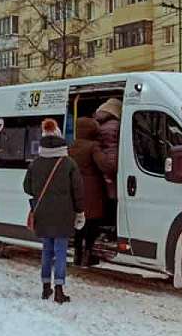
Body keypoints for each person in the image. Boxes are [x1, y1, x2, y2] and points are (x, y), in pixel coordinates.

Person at [23, 118, 85, 304]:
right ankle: (59, 290)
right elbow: (78, 190)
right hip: (64, 215)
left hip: (42, 213)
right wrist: (80, 212)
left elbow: (27, 187)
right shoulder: (68, 163)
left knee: (46, 251)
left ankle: (45, 288)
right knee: (60, 252)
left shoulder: (36, 163)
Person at [68, 117, 107, 267]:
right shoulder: (93, 147)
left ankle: (77, 255)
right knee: (92, 223)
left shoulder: (71, 146)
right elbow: (104, 165)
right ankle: (88, 254)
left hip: (76, 188)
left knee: (79, 223)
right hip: (92, 191)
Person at [93, 97, 122, 220]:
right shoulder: (116, 125)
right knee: (115, 196)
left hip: (102, 162)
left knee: (107, 194)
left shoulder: (98, 125)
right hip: (114, 161)